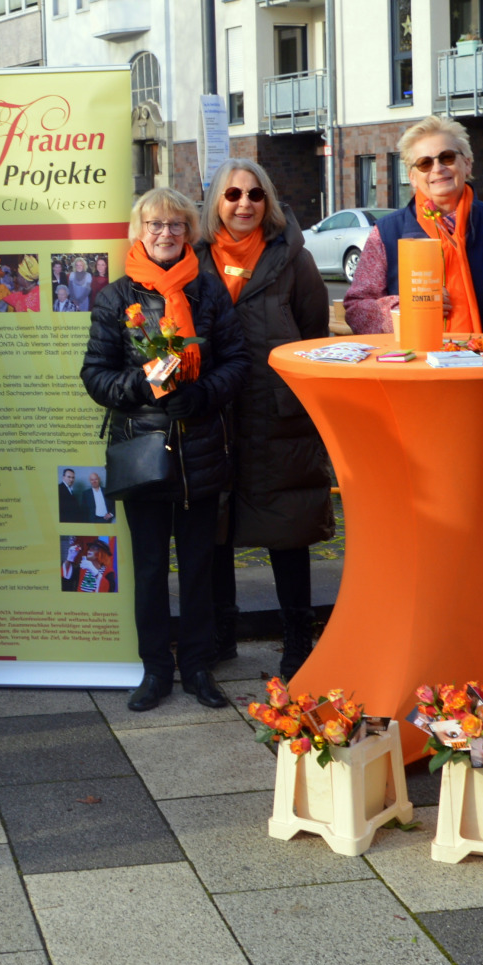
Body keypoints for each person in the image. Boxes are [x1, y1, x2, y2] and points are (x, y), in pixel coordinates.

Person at [81, 187, 247, 712]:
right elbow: (95, 375)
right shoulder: (116, 297)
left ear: (189, 233)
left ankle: (197, 667)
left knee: (198, 566)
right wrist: (144, 385)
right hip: (143, 451)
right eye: (155, 224)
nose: (166, 234)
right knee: (150, 569)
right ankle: (154, 670)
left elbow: (237, 362)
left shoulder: (208, 290)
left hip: (200, 448)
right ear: (139, 231)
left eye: (176, 225)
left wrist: (201, 394)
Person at [195, 158, 333, 678]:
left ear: (268, 200)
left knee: (286, 526)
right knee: (215, 527)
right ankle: (221, 635)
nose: (245, 204)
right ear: (216, 202)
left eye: (255, 194)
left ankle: (298, 640)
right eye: (233, 195)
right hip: (215, 412)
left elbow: (313, 336)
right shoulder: (195, 258)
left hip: (277, 416)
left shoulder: (293, 259)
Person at [345, 116, 483, 336]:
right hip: (417, 355)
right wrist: (409, 309)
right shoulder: (387, 233)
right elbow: (356, 309)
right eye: (425, 163)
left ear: (467, 163)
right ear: (412, 177)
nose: (437, 168)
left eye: (447, 157)